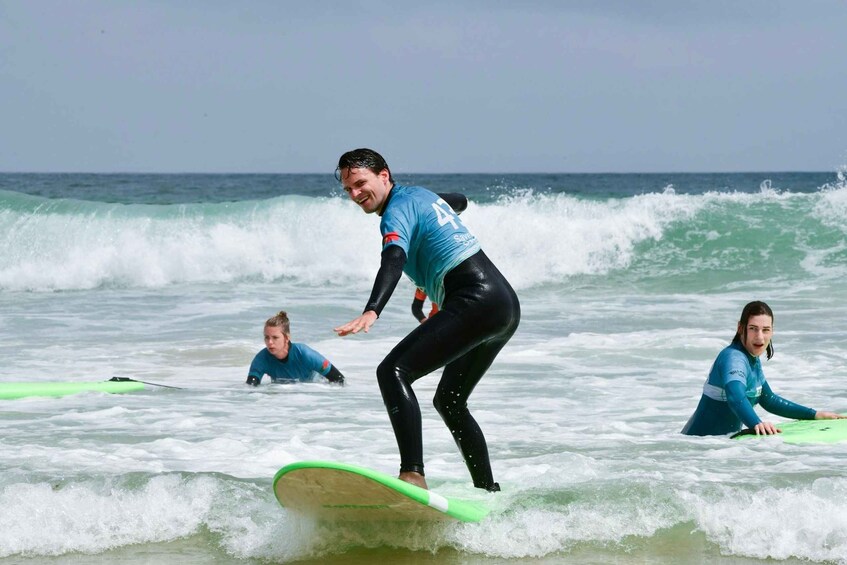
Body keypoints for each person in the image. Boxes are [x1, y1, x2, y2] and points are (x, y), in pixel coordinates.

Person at [333, 148, 520, 492]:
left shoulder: (395, 213)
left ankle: (413, 474)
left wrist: (373, 308)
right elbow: (459, 201)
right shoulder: (420, 196)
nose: (356, 195)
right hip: (503, 305)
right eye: (348, 190)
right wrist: (448, 205)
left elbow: (393, 256)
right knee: (449, 401)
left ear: (384, 175)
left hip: (474, 297)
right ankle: (487, 491)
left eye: (360, 184)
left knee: (392, 372)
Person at [682, 300, 844, 436]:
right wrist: (756, 423)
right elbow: (735, 396)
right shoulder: (734, 358)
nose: (760, 337)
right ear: (741, 328)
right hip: (696, 447)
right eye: (753, 329)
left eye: (765, 330)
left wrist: (814, 415)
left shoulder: (751, 359)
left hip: (714, 449)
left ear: (772, 331)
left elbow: (768, 399)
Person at [247, 311, 344, 386]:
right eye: (266, 337)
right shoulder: (261, 359)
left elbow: (339, 379)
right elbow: (250, 388)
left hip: (313, 392)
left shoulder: (305, 354)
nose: (270, 342)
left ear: (287, 338)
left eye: (275, 337)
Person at [409, 194, 465, 324]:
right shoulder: (426, 282)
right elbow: (416, 307)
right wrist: (424, 322)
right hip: (436, 323)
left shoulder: (456, 275)